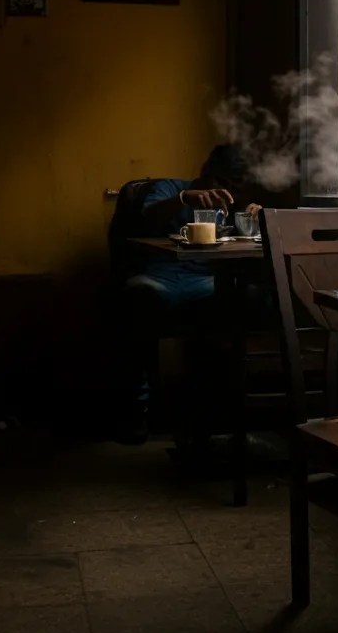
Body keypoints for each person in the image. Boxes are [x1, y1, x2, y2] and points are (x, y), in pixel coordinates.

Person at [112, 144, 263, 446]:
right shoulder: (171, 188)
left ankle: (224, 407)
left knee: (251, 298)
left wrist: (258, 219)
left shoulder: (230, 205)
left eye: (233, 186)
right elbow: (147, 218)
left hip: (204, 281)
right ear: (205, 173)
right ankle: (137, 408)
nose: (224, 191)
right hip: (159, 278)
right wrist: (182, 200)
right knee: (137, 296)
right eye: (220, 182)